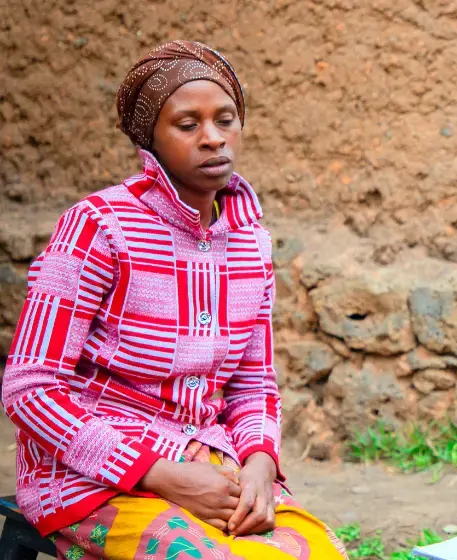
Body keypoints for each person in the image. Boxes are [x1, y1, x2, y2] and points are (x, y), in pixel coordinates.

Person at [3, 40, 348, 560]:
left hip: (215, 466)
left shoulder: (252, 243)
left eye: (225, 120)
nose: (213, 138)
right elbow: (29, 387)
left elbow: (253, 382)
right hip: (90, 478)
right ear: (152, 140)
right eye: (188, 125)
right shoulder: (99, 226)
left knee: (320, 553)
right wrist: (160, 476)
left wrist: (259, 462)